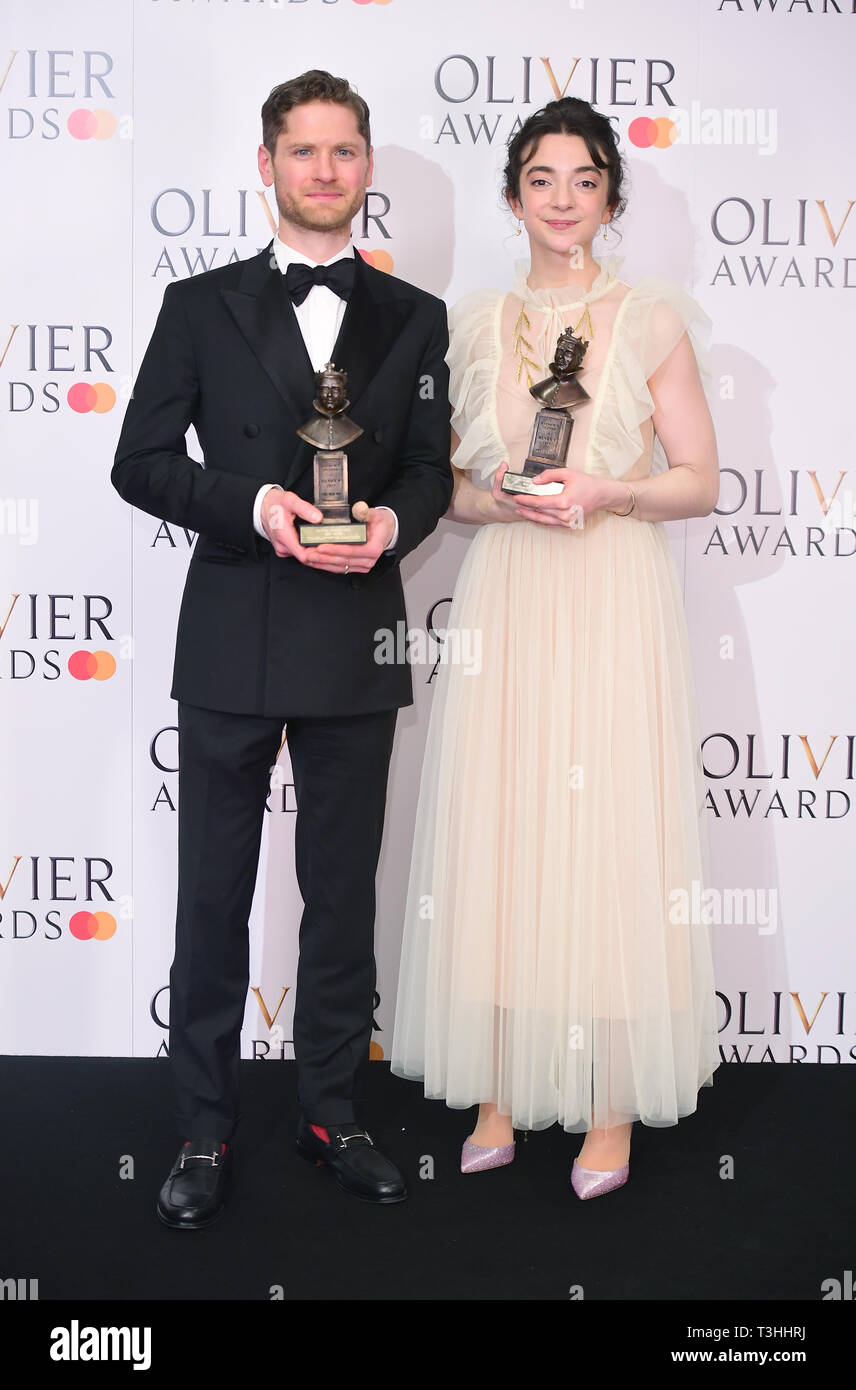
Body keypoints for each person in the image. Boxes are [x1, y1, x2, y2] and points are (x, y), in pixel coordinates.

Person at [111, 70, 452, 1227]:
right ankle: (202, 1130)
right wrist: (253, 503)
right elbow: (140, 462)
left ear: (366, 166)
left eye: (343, 151)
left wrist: (396, 526)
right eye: (301, 151)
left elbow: (424, 468)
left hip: (355, 631)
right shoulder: (197, 304)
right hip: (232, 633)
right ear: (266, 165)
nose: (322, 171)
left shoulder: (418, 316)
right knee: (210, 898)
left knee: (340, 894)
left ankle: (329, 1111)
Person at [390, 96, 720, 1200]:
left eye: (584, 179)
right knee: (507, 826)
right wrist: (505, 502)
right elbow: (446, 487)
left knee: (608, 830)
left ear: (612, 198)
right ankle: (500, 1083)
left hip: (611, 591)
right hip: (513, 594)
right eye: (542, 178)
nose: (564, 198)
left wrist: (608, 489)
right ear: (512, 194)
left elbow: (698, 480)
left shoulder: (651, 318)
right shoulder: (472, 323)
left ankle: (611, 1100)